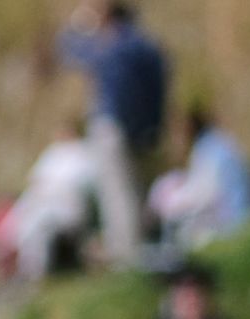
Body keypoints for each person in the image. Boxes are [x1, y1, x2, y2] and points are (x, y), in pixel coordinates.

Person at [58, 1, 169, 265]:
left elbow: (68, 48)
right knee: (135, 190)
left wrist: (79, 22)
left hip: (112, 127)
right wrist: (153, 126)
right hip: (143, 130)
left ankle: (126, 256)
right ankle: (135, 249)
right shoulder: (147, 47)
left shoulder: (111, 46)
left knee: (117, 193)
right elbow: (160, 90)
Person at [0, 118, 100, 280]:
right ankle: (17, 263)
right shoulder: (53, 152)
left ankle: (36, 271)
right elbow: (35, 179)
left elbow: (82, 185)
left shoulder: (83, 153)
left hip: (66, 206)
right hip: (42, 201)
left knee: (39, 223)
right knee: (22, 219)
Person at [148, 103, 250, 251]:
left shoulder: (209, 151)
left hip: (237, 225)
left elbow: (202, 195)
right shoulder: (215, 143)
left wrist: (167, 202)